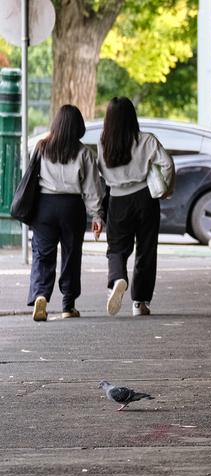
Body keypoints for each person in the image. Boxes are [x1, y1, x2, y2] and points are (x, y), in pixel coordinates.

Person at [97, 97, 175, 317]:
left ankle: (117, 279)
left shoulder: (103, 143)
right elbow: (167, 164)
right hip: (145, 198)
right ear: (132, 116)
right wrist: (165, 188)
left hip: (117, 199)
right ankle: (139, 303)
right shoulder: (147, 140)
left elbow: (101, 173)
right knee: (146, 249)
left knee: (116, 248)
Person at [28, 105, 104, 321]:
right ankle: (68, 305)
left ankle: (41, 295)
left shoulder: (41, 148)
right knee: (71, 255)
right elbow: (92, 188)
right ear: (78, 127)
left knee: (43, 254)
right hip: (72, 207)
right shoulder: (84, 153)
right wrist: (97, 215)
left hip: (44, 206)